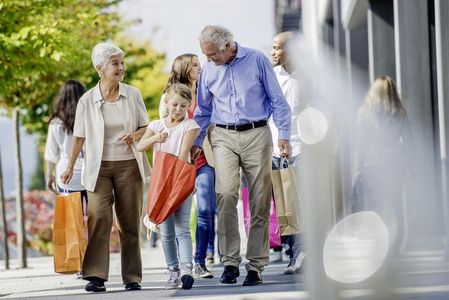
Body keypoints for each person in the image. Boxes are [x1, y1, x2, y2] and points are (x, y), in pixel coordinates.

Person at [192, 25, 292, 286]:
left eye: (212, 54)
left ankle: (256, 265)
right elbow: (202, 110)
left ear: (228, 46)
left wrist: (283, 135)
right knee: (225, 194)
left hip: (257, 133)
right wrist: (196, 142)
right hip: (223, 135)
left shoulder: (256, 60)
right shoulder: (209, 70)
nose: (209, 59)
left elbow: (278, 100)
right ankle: (230, 262)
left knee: (259, 199)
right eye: (205, 55)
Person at [61, 43, 151, 293]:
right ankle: (96, 275)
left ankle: (132, 276)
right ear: (100, 68)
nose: (121, 67)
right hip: (97, 168)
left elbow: (147, 127)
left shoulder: (133, 94)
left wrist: (135, 134)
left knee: (129, 222)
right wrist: (69, 167)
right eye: (115, 63)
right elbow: (78, 136)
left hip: (128, 165)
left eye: (122, 62)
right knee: (99, 218)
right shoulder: (87, 100)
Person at [137, 83, 200, 290]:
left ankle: (186, 269)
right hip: (160, 182)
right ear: (167, 103)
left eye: (183, 106)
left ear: (189, 106)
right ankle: (172, 270)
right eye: (175, 104)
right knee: (165, 230)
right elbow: (140, 146)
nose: (178, 110)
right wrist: (157, 137)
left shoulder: (189, 126)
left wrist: (182, 184)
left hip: (179, 180)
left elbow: (183, 154)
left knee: (182, 226)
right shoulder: (156, 125)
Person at [159, 54, 216, 279]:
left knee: (206, 210)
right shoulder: (169, 96)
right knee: (176, 218)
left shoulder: (206, 92)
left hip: (204, 159)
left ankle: (200, 260)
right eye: (194, 64)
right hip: (179, 163)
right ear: (183, 68)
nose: (199, 67)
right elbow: (164, 128)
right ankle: (177, 265)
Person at [352, 76, 412, 248]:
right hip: (394, 164)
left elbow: (360, 145)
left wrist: (357, 170)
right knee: (395, 205)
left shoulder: (363, 114)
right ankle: (395, 244)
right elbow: (409, 141)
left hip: (371, 165)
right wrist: (411, 167)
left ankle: (379, 244)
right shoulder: (400, 113)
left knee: (376, 206)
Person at [269, 31, 306, 274]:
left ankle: (303, 253)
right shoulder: (271, 77)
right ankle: (294, 254)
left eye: (277, 48)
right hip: (275, 149)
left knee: (302, 202)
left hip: (303, 148)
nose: (272, 52)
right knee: (284, 206)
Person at [45, 80, 88, 279]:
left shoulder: (56, 123)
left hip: (66, 176)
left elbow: (51, 153)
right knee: (93, 221)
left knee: (73, 223)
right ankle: (93, 263)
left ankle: (79, 265)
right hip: (89, 173)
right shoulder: (88, 118)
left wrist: (49, 176)